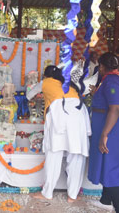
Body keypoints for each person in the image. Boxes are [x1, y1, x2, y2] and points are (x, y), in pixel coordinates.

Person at [32, 65, 91, 202]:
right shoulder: (68, 83)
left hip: (60, 115)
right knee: (76, 157)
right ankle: (72, 195)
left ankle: (47, 193)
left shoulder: (45, 82)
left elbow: (30, 94)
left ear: (46, 76)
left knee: (54, 155)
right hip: (78, 115)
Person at [88, 52, 119, 211]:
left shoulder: (112, 82)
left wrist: (104, 135)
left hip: (110, 131)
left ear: (103, 66)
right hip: (104, 126)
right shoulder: (109, 80)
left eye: (100, 66)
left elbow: (115, 109)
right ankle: (106, 201)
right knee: (105, 163)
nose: (99, 68)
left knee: (111, 167)